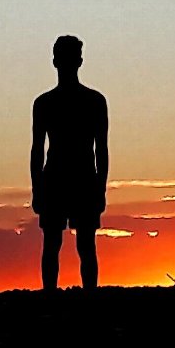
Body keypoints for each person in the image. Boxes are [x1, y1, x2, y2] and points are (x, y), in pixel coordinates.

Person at [30, 35, 109, 290]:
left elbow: (102, 150)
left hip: (74, 179)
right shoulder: (48, 103)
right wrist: (37, 189)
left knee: (78, 245)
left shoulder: (91, 102)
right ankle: (62, 298)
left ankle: (70, 298)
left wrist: (100, 188)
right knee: (63, 245)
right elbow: (37, 150)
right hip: (67, 179)